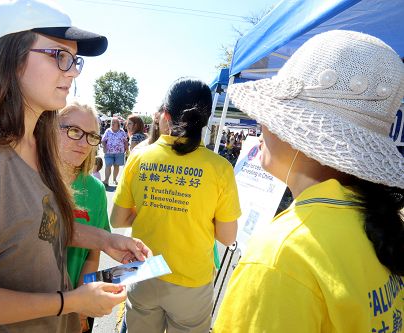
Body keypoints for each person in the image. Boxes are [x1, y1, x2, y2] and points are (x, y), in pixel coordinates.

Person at [0, 1, 151, 332]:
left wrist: (103, 240)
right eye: (59, 56)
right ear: (11, 59)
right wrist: (72, 302)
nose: (73, 71)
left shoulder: (40, 149)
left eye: (75, 60)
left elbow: (35, 228)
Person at [213, 30, 404, 332]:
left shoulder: (283, 254)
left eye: (272, 115)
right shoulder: (373, 221)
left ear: (304, 137)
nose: (260, 125)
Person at [111, 78, 241, 333]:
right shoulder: (220, 168)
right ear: (207, 119)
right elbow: (227, 236)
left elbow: (117, 219)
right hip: (191, 281)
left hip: (144, 271)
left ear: (166, 115)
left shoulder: (140, 156)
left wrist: (154, 209)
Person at [58, 101, 110, 333]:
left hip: (76, 301)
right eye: (74, 131)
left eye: (91, 136)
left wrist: (80, 303)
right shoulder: (29, 178)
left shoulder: (95, 190)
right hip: (29, 304)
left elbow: (93, 253)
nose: (83, 143)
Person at [102, 117, 128, 186]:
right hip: (109, 152)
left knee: (116, 166)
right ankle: (106, 180)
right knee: (108, 165)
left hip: (119, 152)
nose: (112, 123)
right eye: (112, 122)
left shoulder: (122, 131)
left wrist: (127, 149)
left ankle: (114, 179)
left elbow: (125, 141)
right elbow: (103, 140)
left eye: (114, 122)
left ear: (118, 124)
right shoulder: (108, 131)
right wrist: (104, 147)